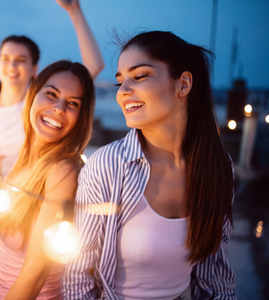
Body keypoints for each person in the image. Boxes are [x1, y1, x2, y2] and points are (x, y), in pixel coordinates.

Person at [0, 0, 104, 299]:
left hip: (28, 205)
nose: (57, 107)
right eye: (6, 58)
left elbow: (36, 270)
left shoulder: (59, 167)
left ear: (33, 71)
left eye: (20, 60)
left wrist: (74, 11)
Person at [63, 31, 236, 299]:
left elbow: (214, 274)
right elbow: (78, 277)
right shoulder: (109, 165)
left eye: (140, 76)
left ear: (183, 84)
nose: (123, 91)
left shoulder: (218, 168)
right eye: (121, 81)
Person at [0, 59, 95, 300]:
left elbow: (36, 273)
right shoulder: (24, 159)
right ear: (32, 95)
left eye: (73, 103)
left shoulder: (62, 171)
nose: (59, 108)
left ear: (81, 117)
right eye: (51, 94)